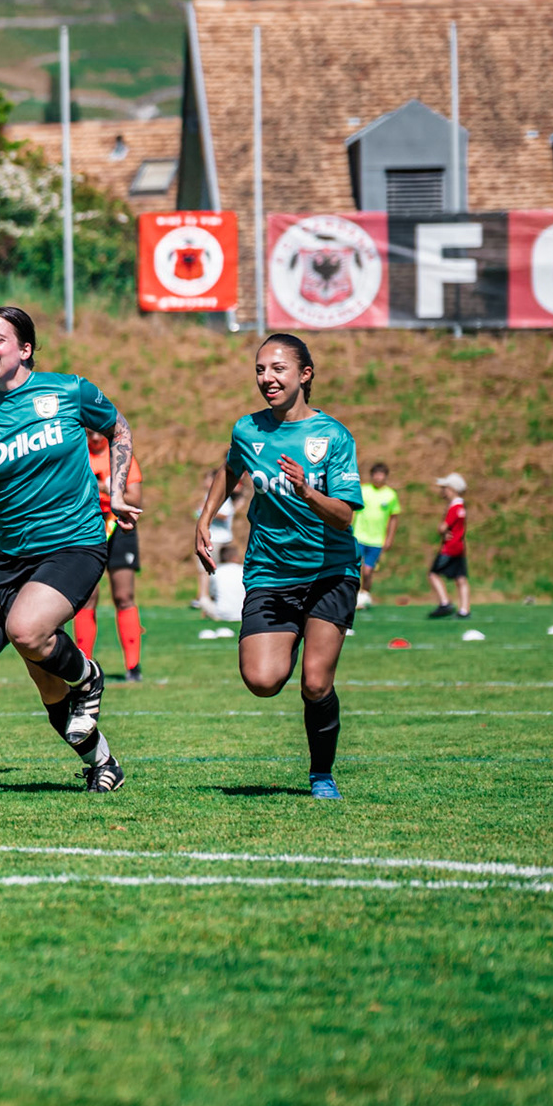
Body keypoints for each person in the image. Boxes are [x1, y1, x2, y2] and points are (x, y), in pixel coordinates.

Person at [0, 306, 134, 793]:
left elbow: (119, 428)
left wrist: (119, 489)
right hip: (13, 555)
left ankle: (90, 676)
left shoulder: (67, 390)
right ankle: (104, 763)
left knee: (26, 629)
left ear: (25, 350)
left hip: (74, 543)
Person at [195, 333, 362, 801]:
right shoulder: (248, 430)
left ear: (304, 375)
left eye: (278, 369)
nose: (266, 378)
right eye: (260, 370)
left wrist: (309, 493)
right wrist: (205, 520)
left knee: (314, 682)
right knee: (263, 680)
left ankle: (321, 773)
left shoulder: (332, 436)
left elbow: (347, 515)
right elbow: (230, 469)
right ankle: (288, 639)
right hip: (271, 572)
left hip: (330, 571)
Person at [74, 428, 145, 681]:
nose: (94, 439)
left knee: (124, 595)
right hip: (87, 526)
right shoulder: (78, 453)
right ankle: (83, 664)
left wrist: (108, 488)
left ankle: (133, 666)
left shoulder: (121, 456)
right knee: (86, 596)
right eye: (89, 434)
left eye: (99, 434)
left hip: (119, 527)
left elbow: (135, 498)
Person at [193, 467, 245, 610]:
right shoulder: (209, 495)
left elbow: (225, 514)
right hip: (214, 537)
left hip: (217, 539)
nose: (206, 482)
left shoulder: (221, 494)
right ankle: (205, 597)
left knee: (211, 569)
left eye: (209, 479)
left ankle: (210, 598)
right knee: (208, 570)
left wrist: (206, 514)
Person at [355, 463, 399, 608]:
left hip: (376, 540)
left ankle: (365, 595)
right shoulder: (363, 490)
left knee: (368, 571)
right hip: (359, 536)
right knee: (355, 568)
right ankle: (355, 595)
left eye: (381, 475)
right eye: (376, 474)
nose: (378, 477)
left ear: (385, 477)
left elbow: (394, 517)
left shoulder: (390, 495)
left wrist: (389, 538)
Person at [427, 472, 470, 620]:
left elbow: (443, 527)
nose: (443, 491)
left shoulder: (454, 507)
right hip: (459, 546)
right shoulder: (462, 506)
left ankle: (445, 602)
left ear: (452, 489)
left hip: (449, 547)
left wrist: (441, 530)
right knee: (461, 578)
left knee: (433, 574)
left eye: (445, 488)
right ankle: (465, 609)